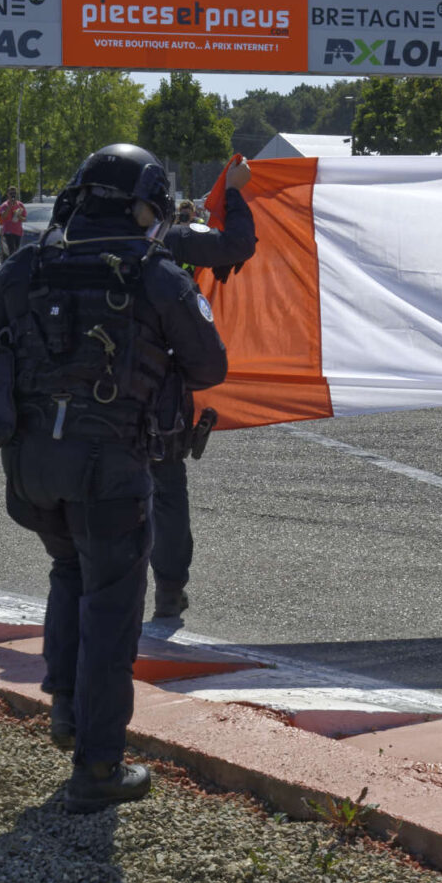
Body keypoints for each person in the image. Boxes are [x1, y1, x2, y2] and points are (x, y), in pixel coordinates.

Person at [0, 143, 226, 813]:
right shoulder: (155, 272)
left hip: (30, 472)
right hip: (109, 470)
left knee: (68, 573)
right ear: (141, 205)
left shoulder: (24, 266)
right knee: (113, 606)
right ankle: (99, 766)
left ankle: (66, 707)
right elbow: (210, 368)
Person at [147, 158, 256, 620]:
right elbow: (238, 245)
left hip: (79, 399)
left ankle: (88, 586)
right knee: (166, 494)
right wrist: (233, 191)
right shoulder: (170, 238)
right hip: (155, 395)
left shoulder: (61, 246)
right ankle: (168, 591)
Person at [0, 187, 27, 256]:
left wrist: (18, 215)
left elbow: (24, 219)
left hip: (18, 231)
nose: (13, 195)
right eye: (11, 193)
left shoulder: (20, 205)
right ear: (7, 194)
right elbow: (3, 217)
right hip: (8, 231)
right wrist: (9, 206)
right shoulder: (4, 205)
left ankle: (15, 264)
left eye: (14, 193)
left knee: (17, 250)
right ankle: (12, 265)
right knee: (12, 250)